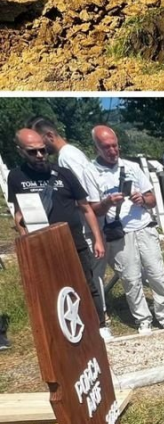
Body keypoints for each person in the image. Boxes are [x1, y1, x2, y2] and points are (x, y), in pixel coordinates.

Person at [7, 128, 109, 339]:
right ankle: (66, 331)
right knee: (53, 289)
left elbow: (86, 207)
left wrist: (98, 239)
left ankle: (100, 326)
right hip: (41, 243)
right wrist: (25, 240)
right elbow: (18, 213)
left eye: (42, 150)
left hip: (73, 240)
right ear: (20, 151)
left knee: (86, 284)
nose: (39, 156)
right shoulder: (16, 177)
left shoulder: (63, 173)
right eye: (32, 152)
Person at [84, 125, 164, 334]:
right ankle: (143, 319)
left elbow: (152, 199)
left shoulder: (131, 167)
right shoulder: (91, 172)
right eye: (106, 147)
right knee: (131, 279)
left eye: (115, 145)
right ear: (96, 148)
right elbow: (93, 209)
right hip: (118, 232)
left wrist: (142, 199)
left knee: (157, 274)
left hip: (143, 226)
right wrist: (108, 203)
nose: (112, 151)